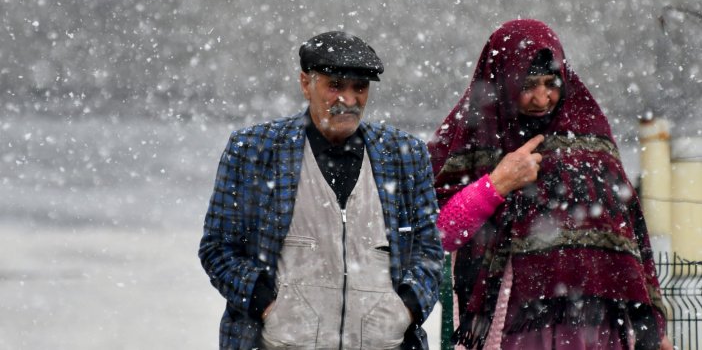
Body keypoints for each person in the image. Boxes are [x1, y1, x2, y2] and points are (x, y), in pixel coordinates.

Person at [428, 19, 672, 350]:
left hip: (600, 326)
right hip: (516, 327)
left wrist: (650, 327)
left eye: (551, 82)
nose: (542, 99)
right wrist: (498, 183)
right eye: (527, 85)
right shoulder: (474, 134)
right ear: (503, 82)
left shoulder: (588, 132)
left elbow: (628, 237)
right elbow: (440, 231)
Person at [199, 31, 443, 349]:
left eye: (360, 88)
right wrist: (269, 307)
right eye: (335, 86)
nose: (349, 100)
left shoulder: (404, 153)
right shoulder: (254, 150)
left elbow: (429, 252)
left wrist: (404, 310)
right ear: (305, 84)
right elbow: (218, 249)